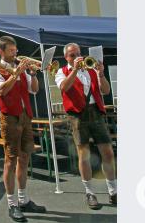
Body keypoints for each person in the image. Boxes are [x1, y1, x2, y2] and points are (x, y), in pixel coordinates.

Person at [55, 42, 116, 209]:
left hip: (95, 111)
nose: (77, 57)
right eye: (72, 55)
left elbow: (106, 91)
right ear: (66, 57)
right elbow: (64, 87)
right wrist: (74, 70)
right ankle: (90, 193)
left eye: (78, 53)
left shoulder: (91, 69)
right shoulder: (61, 71)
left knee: (108, 152)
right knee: (84, 154)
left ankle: (113, 191)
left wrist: (101, 74)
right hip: (77, 115)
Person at [0, 36, 46, 222]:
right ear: (1, 52)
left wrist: (33, 74)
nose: (14, 53)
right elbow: (2, 91)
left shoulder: (20, 69)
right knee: (11, 160)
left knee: (24, 157)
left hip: (25, 116)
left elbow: (35, 90)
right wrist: (16, 73)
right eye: (10, 51)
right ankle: (11, 204)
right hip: (10, 118)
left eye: (15, 50)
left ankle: (23, 200)